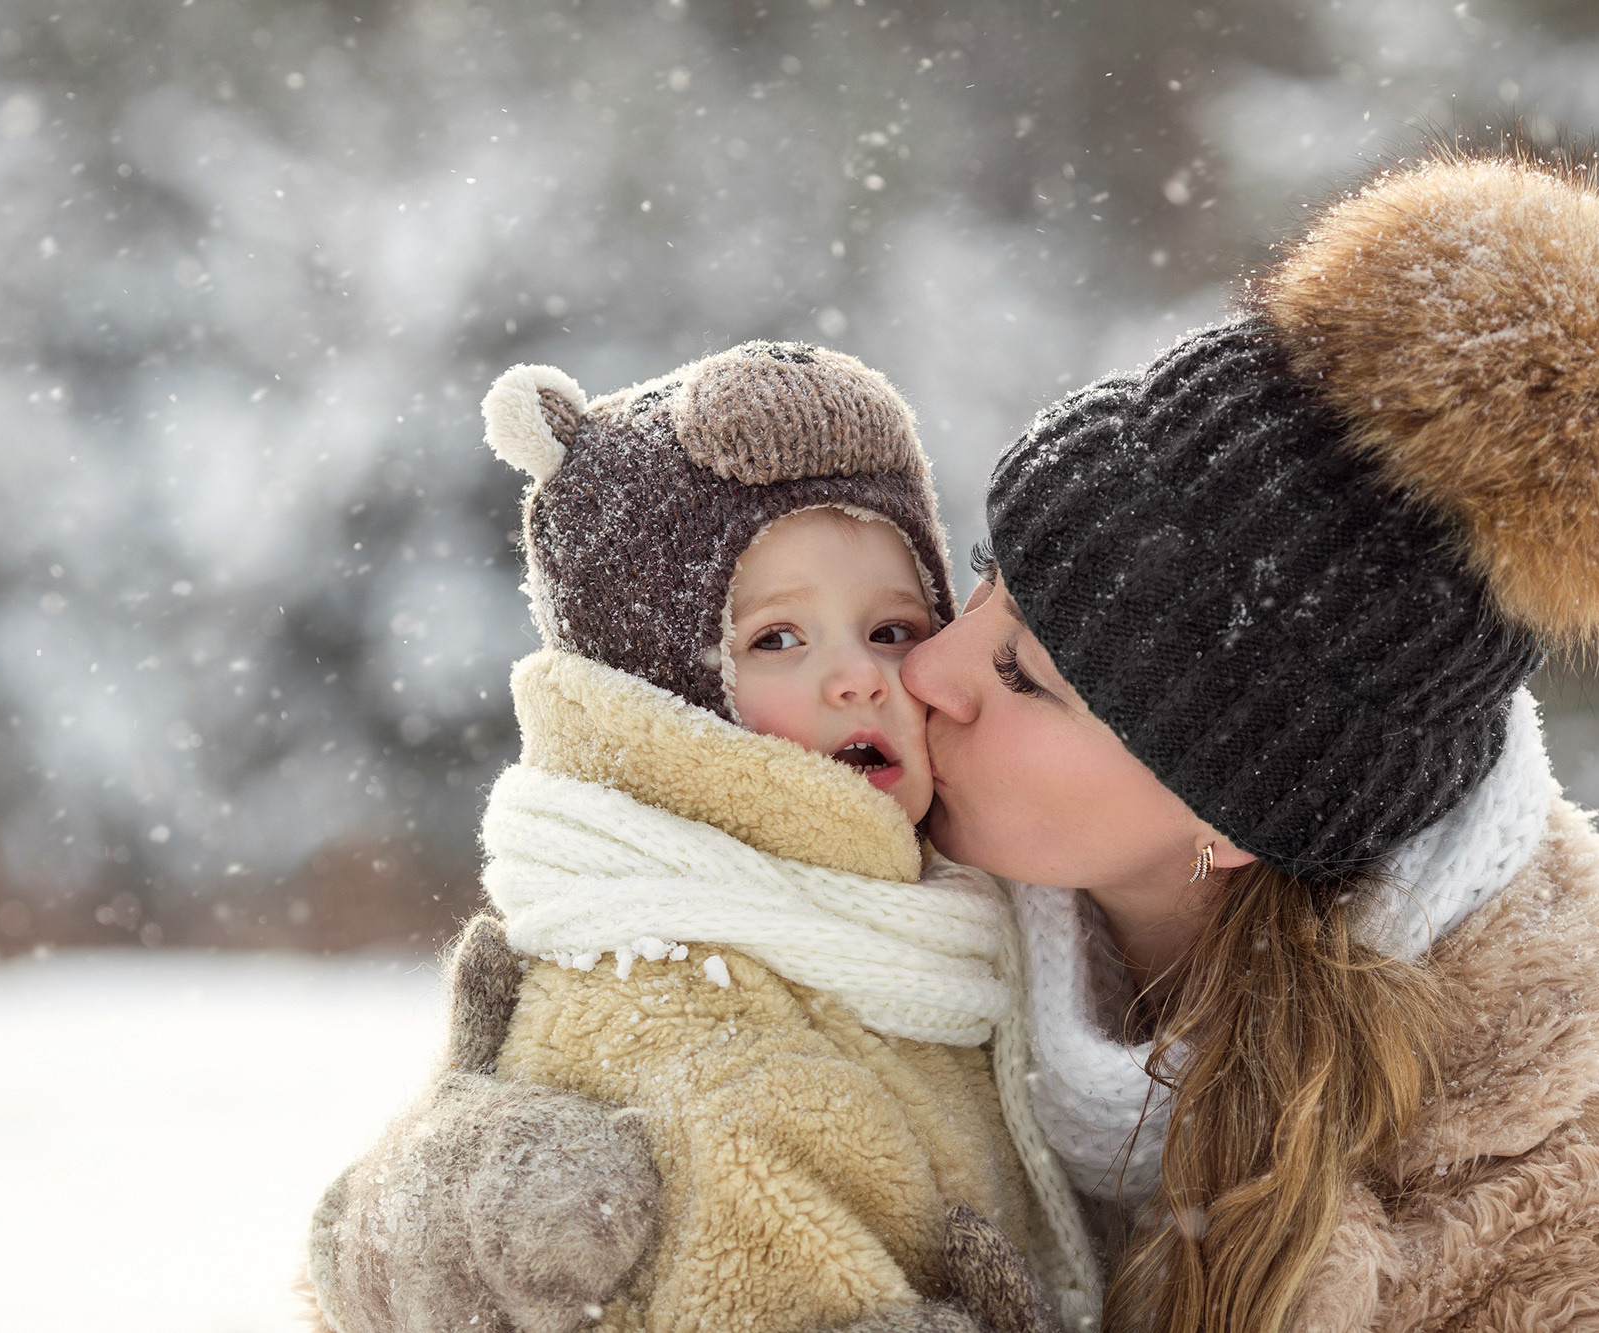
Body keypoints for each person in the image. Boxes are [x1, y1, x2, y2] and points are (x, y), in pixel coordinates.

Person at [310, 155, 1599, 1333]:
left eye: (1032, 677)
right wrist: (451, 1235)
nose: (935, 672)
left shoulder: (1581, 1202)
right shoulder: (896, 873)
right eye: (980, 590)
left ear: (1235, 811)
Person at [305, 341, 1098, 1333]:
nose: (858, 676)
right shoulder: (707, 1027)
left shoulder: (916, 930)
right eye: (776, 638)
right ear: (664, 693)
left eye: (892, 628)